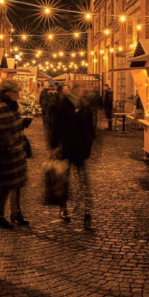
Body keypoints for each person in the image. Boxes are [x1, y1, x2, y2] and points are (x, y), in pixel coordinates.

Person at [49, 83, 95, 225]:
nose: (81, 91)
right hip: (67, 148)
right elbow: (56, 127)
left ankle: (87, 211)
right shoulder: (63, 106)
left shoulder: (85, 106)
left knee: (84, 181)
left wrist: (88, 144)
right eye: (78, 89)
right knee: (64, 180)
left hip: (80, 150)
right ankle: (64, 208)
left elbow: (90, 129)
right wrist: (55, 146)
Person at [0, 79, 29, 229]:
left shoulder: (12, 106)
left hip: (17, 152)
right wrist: (10, 145)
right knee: (5, 186)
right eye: (15, 92)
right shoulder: (0, 108)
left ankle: (16, 213)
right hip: (6, 153)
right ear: (7, 93)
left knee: (17, 184)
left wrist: (23, 123)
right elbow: (1, 132)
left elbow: (13, 125)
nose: (18, 95)